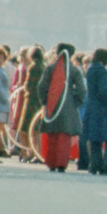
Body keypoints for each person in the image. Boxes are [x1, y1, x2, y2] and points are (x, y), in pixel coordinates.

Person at [37, 43, 85, 172]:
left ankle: (51, 162)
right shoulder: (74, 70)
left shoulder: (50, 68)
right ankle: (61, 163)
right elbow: (81, 90)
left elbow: (42, 87)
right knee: (64, 137)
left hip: (52, 105)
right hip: (68, 105)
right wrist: (75, 102)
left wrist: (45, 101)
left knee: (52, 135)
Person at [81, 48, 107, 175]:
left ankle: (95, 164)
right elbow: (103, 91)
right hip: (104, 108)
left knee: (95, 137)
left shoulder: (91, 69)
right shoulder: (103, 71)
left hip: (93, 107)